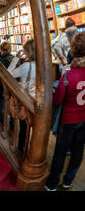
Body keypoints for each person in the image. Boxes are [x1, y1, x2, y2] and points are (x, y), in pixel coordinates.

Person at [45, 32, 85, 191]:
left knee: (60, 152)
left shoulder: (68, 74)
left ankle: (52, 183)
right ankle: (68, 180)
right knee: (78, 149)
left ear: (73, 49)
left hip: (68, 120)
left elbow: (57, 101)